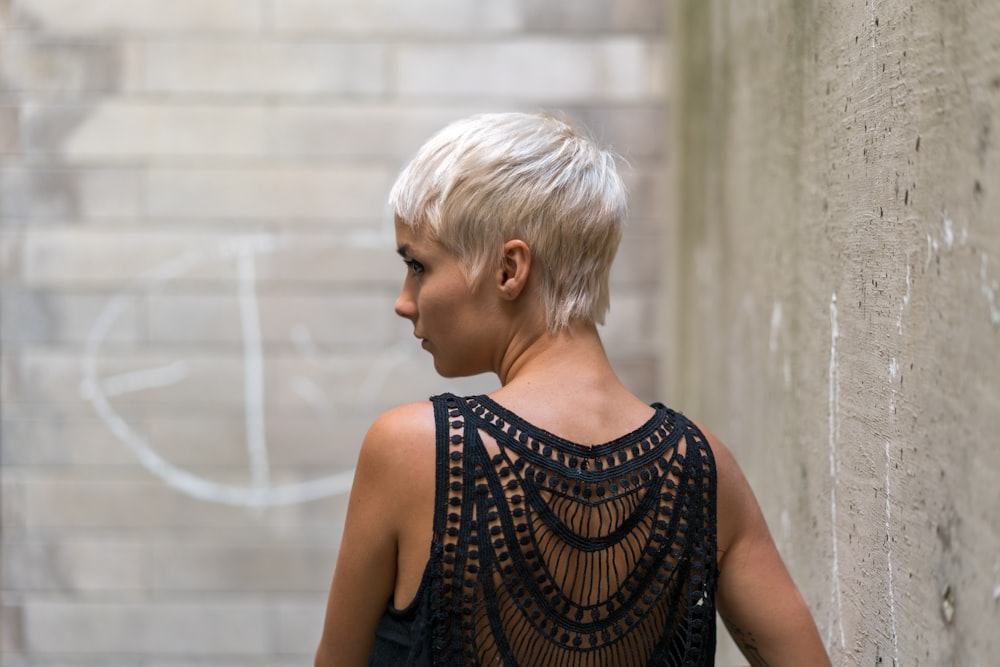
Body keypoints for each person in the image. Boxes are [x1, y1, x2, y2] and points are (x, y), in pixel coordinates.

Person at [315, 112, 830, 667]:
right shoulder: (704, 470)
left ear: (510, 269)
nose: (404, 299)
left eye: (419, 265)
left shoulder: (413, 451)